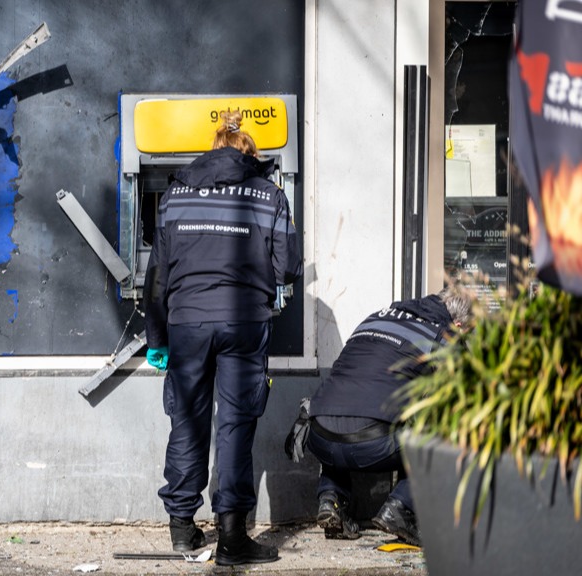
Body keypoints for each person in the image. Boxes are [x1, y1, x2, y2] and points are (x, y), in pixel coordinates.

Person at [143, 109, 303, 566]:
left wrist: (158, 336)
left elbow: (157, 277)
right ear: (249, 156)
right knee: (234, 425)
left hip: (187, 324)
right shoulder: (268, 195)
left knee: (187, 420)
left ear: (213, 150)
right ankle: (233, 539)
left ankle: (181, 528)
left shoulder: (175, 195)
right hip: (244, 324)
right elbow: (287, 267)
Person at [306, 288, 474, 544]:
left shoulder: (376, 318)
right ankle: (400, 507)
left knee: (342, 411)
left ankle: (331, 499)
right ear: (459, 325)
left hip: (318, 433)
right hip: (369, 444)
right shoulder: (443, 335)